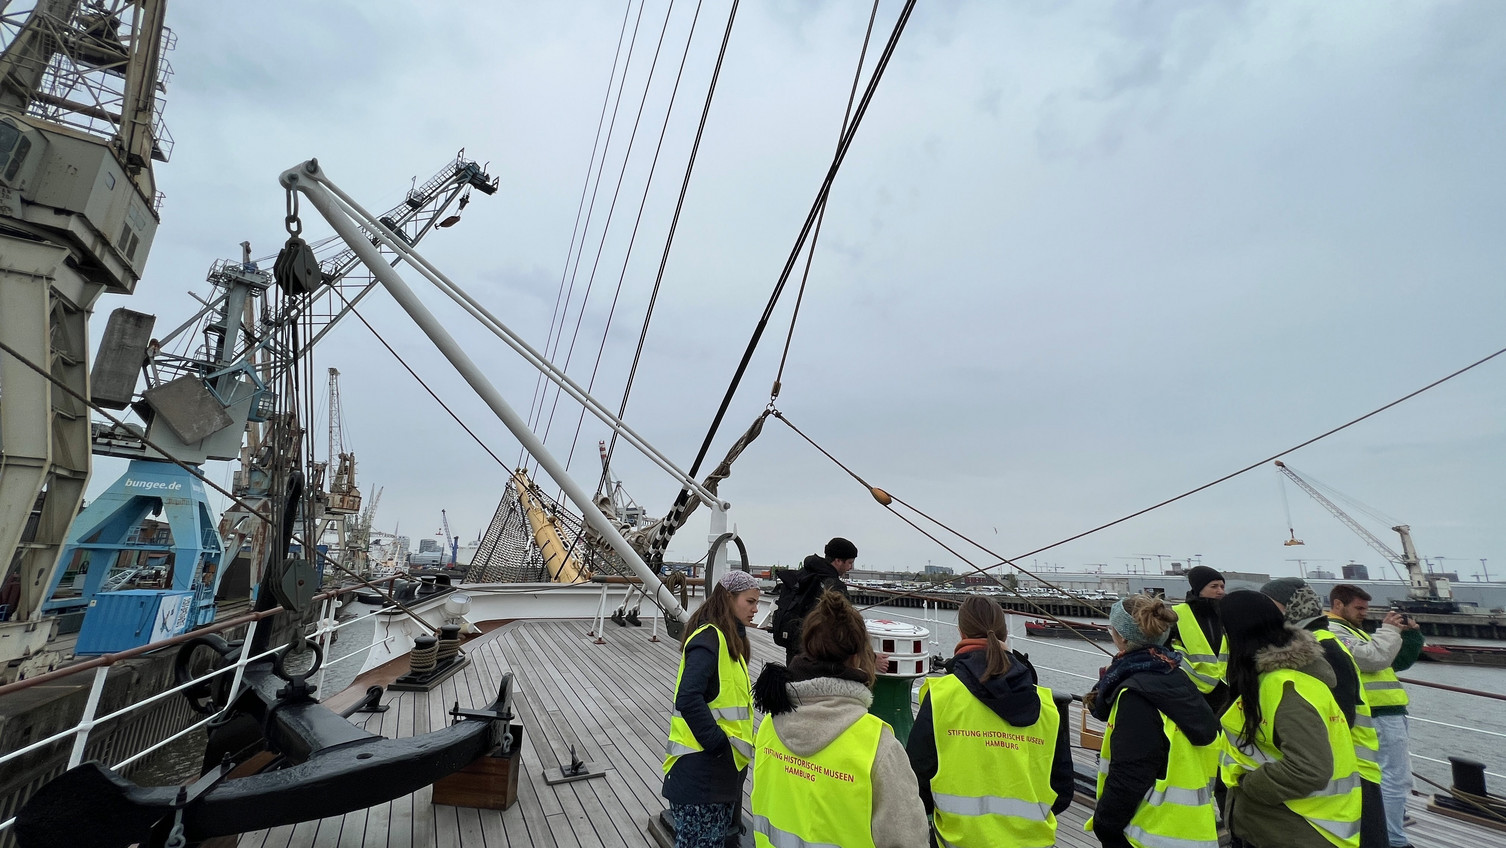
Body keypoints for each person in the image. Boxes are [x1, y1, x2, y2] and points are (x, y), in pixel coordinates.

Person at [750, 591, 928, 848]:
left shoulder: (771, 724)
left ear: (807, 648)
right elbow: (907, 839)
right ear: (858, 657)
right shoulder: (878, 746)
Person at [907, 596, 1074, 847]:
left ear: (961, 632)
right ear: (1005, 633)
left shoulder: (943, 695)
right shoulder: (1048, 707)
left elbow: (917, 777)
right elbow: (1062, 790)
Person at [1221, 590, 1361, 848]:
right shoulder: (1272, 680)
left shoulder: (1286, 688)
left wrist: (1248, 786)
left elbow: (1308, 769)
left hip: (1300, 828)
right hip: (1282, 824)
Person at [1084, 594, 1220, 848]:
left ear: (1122, 637)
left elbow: (1130, 773)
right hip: (1193, 831)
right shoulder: (1177, 679)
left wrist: (1105, 825)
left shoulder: (1135, 695)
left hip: (1146, 834)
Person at [1263, 578, 1384, 848]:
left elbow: (1339, 716)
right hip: (1342, 770)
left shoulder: (1323, 648)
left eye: (1270, 606)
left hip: (1351, 773)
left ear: (1289, 608)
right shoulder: (1316, 642)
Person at [662, 571, 761, 848]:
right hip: (700, 773)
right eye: (750, 601)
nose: (755, 609)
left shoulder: (728, 641)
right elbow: (688, 697)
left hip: (717, 774)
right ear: (729, 599)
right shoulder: (709, 640)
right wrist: (718, 744)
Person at [1325, 585, 1424, 848]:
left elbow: (1394, 661)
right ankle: (1393, 839)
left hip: (1387, 713)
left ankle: (1384, 832)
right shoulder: (1333, 631)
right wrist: (1389, 630)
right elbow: (1373, 659)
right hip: (1375, 714)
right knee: (1394, 778)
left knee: (1387, 778)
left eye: (1365, 608)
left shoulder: (1352, 630)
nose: (1363, 613)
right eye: (1358, 608)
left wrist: (1411, 635)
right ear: (1337, 605)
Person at [772, 536, 857, 662]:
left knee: (793, 676)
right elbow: (846, 622)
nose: (851, 567)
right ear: (838, 560)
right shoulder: (834, 586)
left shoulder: (805, 572)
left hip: (793, 643)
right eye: (850, 563)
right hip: (815, 649)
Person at [1168, 565, 1230, 711]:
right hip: (1192, 687)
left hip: (1228, 686)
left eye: (1222, 586)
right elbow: (1165, 648)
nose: (1220, 591)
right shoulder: (1177, 614)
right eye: (1214, 586)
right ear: (1199, 588)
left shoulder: (1229, 612)